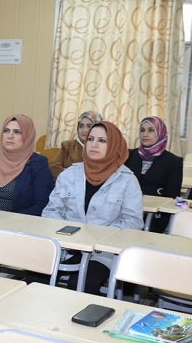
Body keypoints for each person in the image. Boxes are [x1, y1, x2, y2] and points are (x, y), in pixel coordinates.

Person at [43, 121, 144, 294]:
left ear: (113, 145)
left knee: (82, 284)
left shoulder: (127, 180)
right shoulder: (68, 175)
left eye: (102, 141)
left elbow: (133, 221)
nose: (94, 145)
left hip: (103, 252)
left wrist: (98, 238)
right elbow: (51, 211)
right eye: (91, 139)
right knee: (36, 275)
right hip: (66, 246)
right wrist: (68, 233)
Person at [0, 114, 54, 216]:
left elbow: (41, 204)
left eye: (17, 132)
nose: (9, 136)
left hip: (16, 225)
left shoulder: (38, 163)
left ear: (28, 136)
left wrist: (8, 221)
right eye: (6, 131)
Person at [125, 116, 183, 232]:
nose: (145, 134)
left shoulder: (174, 161)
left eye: (151, 130)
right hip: (127, 210)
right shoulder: (128, 155)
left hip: (156, 215)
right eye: (142, 130)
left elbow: (172, 197)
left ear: (160, 133)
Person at [50, 110, 102, 179]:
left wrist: (66, 170)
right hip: (68, 186)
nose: (84, 130)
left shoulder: (104, 147)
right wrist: (73, 175)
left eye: (89, 126)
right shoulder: (67, 146)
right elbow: (53, 167)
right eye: (81, 126)